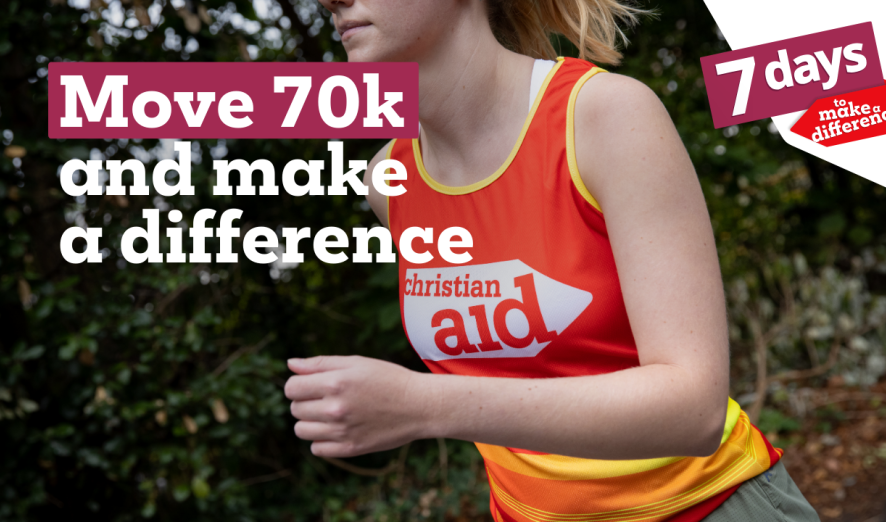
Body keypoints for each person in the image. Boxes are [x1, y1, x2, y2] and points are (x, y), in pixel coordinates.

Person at [284, 0, 821, 520]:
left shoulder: (606, 117)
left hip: (707, 506)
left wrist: (424, 405)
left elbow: (693, 408)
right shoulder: (389, 179)